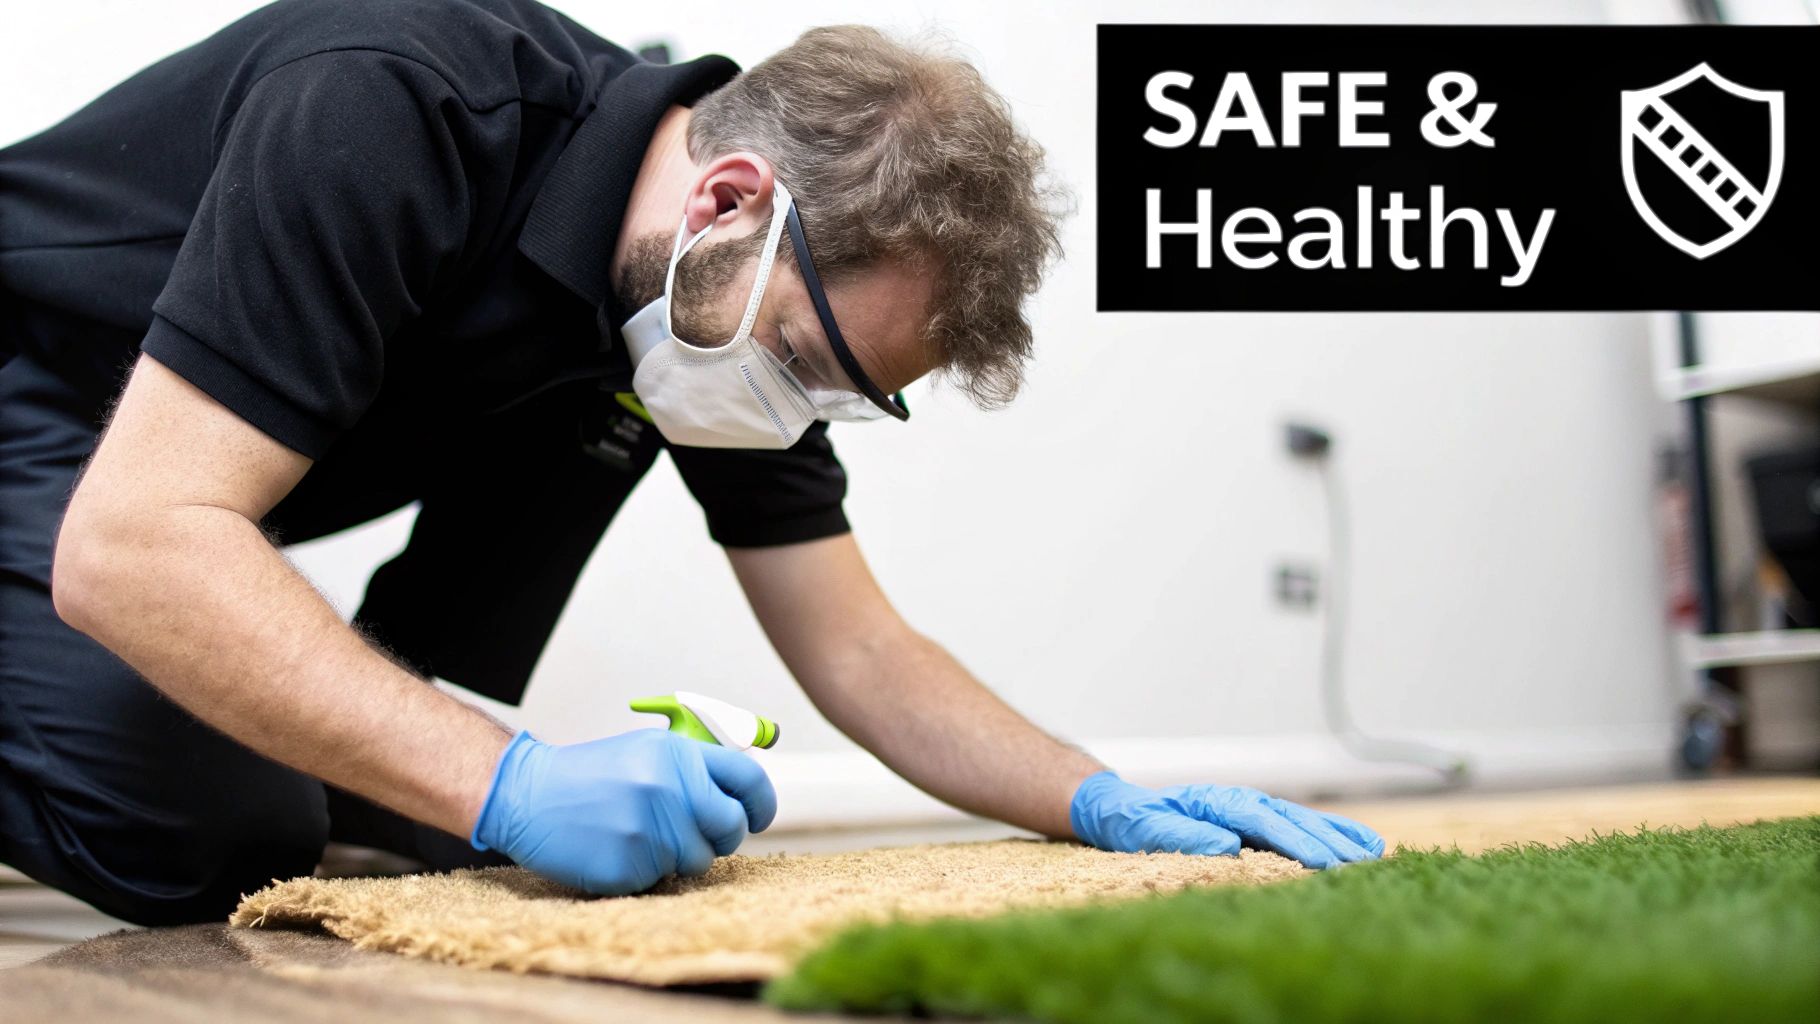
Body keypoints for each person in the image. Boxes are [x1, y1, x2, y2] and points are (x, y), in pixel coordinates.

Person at [0, 0, 1383, 926]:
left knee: (387, 801)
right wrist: (510, 776)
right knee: (209, 825)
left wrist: (1096, 792)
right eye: (804, 360)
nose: (788, 414)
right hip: (48, 414)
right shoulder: (398, 105)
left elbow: (858, 647)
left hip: (128, 470)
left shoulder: (694, 308)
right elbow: (143, 542)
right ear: (732, 202)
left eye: (836, 401)